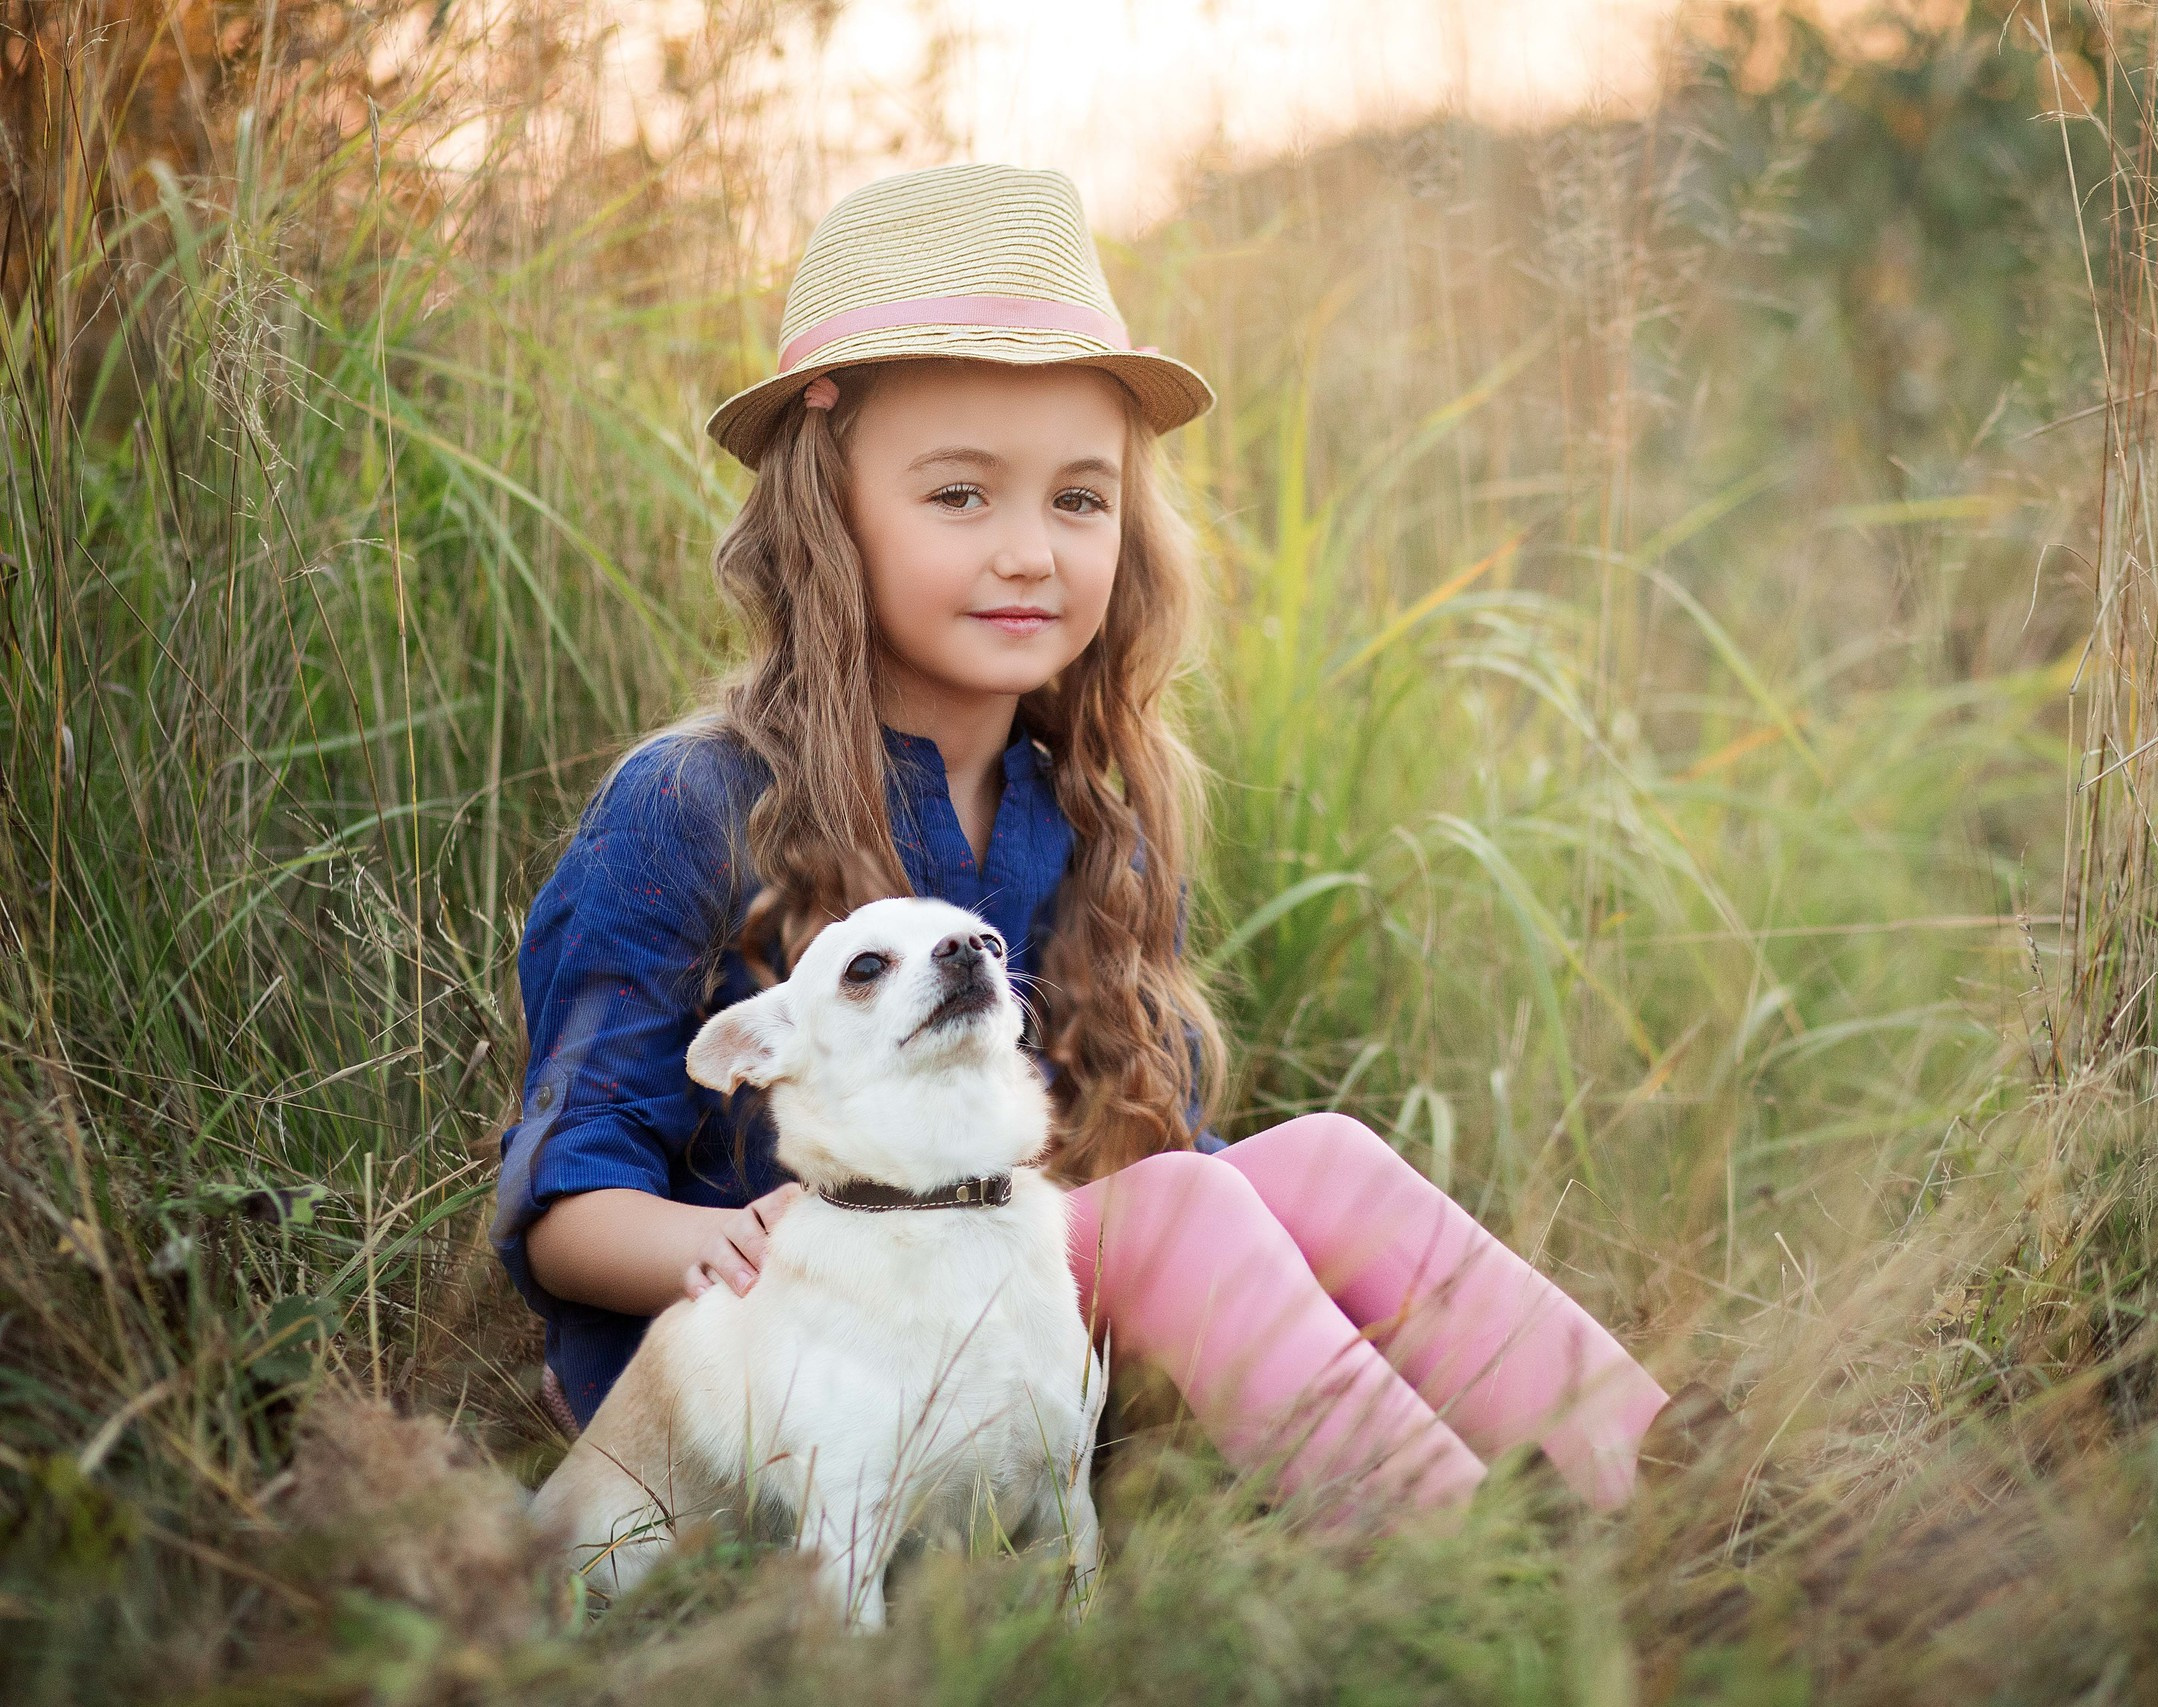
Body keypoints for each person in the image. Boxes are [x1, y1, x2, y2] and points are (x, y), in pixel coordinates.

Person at [491, 163, 1667, 1517]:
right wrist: (747, 1237)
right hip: (782, 1387)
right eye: (958, 497)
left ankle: (1660, 1485)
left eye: (1079, 499)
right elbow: (568, 1206)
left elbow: (1163, 1169)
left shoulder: (1088, 808)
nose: (1031, 552)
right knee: (1177, 1212)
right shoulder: (690, 804)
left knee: (1319, 1161)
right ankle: (1457, 1558)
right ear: (828, 518)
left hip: (1000, 1346)